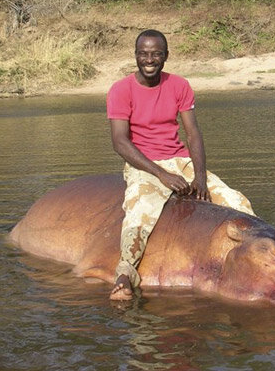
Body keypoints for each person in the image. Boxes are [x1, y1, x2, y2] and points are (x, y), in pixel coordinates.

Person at [106, 29, 255, 300]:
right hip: (145, 164)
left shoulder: (179, 85)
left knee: (237, 202)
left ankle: (257, 259)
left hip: (180, 159)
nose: (149, 60)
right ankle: (125, 273)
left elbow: (193, 133)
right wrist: (161, 174)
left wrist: (199, 176)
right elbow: (120, 142)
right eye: (143, 54)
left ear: (166, 56)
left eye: (156, 54)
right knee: (140, 213)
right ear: (136, 55)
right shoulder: (120, 90)